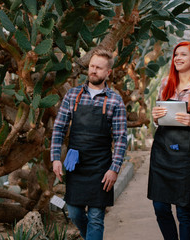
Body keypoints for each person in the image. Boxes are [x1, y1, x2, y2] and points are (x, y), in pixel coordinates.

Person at [51, 49, 127, 240]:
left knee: (95, 217)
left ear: (107, 72)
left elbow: (120, 139)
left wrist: (114, 168)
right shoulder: (72, 95)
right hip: (76, 164)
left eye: (99, 68)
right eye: (92, 66)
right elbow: (59, 128)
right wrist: (55, 159)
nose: (93, 71)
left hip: (101, 166)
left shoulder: (115, 101)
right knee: (75, 213)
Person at [148, 41, 190, 240]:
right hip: (162, 153)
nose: (177, 58)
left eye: (183, 54)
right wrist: (155, 116)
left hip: (186, 157)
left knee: (184, 213)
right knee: (160, 207)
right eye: (176, 54)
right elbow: (159, 122)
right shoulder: (165, 84)